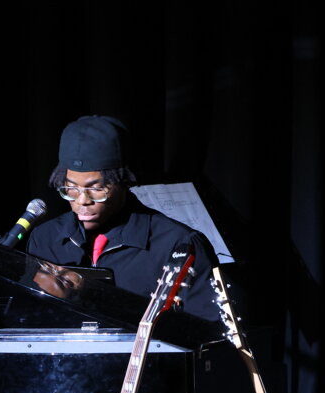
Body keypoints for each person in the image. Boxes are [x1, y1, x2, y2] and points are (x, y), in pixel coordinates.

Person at [27, 115, 220, 322]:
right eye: (70, 188)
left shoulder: (178, 244)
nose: (82, 201)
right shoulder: (44, 238)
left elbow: (208, 330)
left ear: (123, 181)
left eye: (97, 189)